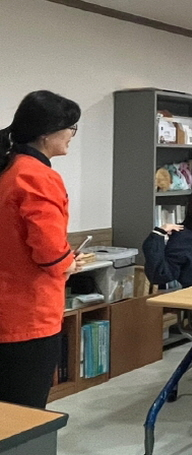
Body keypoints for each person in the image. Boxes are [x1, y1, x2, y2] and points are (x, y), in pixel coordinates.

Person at [0, 90, 88, 408]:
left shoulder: (8, 168)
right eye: (71, 127)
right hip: (26, 316)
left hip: (7, 309)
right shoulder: (37, 176)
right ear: (46, 133)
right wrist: (68, 264)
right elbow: (49, 252)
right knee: (24, 415)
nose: (72, 135)